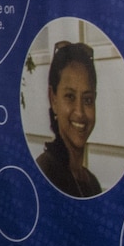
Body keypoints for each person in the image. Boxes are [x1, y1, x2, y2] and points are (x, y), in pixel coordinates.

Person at [36, 41, 102, 198]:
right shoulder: (44, 174)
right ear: (53, 99)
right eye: (70, 96)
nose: (80, 112)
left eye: (87, 100)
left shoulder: (92, 183)